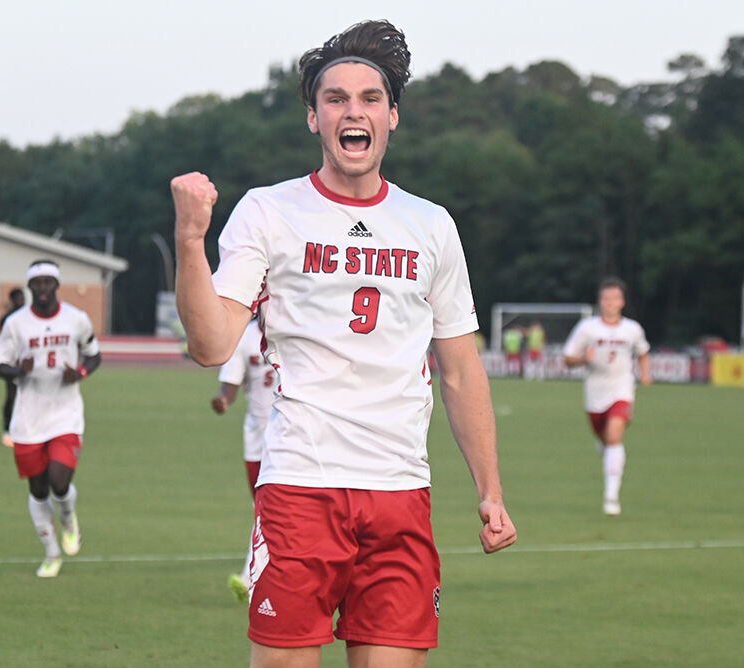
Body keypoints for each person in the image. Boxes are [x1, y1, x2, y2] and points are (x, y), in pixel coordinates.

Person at [169, 19, 516, 667]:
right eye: (335, 99)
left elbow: (462, 372)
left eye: (368, 99)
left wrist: (489, 491)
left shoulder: (431, 225)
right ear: (313, 118)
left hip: (400, 496)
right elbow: (212, 345)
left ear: (391, 117)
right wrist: (190, 241)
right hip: (302, 488)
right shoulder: (269, 212)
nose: (351, 111)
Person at [0, 260, 101, 577]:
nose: (42, 288)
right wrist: (18, 371)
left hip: (66, 414)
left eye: (47, 282)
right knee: (38, 490)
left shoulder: (76, 319)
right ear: (30, 287)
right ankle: (51, 553)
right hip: (28, 419)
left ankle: (68, 518)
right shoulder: (15, 324)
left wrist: (79, 372)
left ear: (56, 285)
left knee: (59, 480)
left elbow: (94, 355)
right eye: (36, 283)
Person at [563, 277, 651, 516]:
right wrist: (583, 359)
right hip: (594, 392)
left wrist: (645, 374)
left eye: (615, 298)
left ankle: (611, 497)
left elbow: (643, 352)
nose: (610, 303)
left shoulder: (632, 329)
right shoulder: (587, 328)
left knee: (614, 436)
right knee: (605, 441)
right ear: (600, 301)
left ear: (622, 302)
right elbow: (568, 358)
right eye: (606, 298)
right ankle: (610, 458)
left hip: (622, 390)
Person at [210, 317, 276, 603]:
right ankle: (258, 576)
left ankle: (252, 578)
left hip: (295, 438)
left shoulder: (297, 323)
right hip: (257, 441)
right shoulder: (245, 336)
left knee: (268, 508)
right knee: (263, 509)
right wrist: (223, 400)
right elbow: (230, 386)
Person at [0, 287, 26, 448]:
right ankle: (7, 430)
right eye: (19, 298)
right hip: (12, 362)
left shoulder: (29, 316)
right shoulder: (7, 319)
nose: (22, 301)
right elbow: (3, 342)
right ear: (13, 300)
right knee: (11, 395)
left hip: (27, 362)